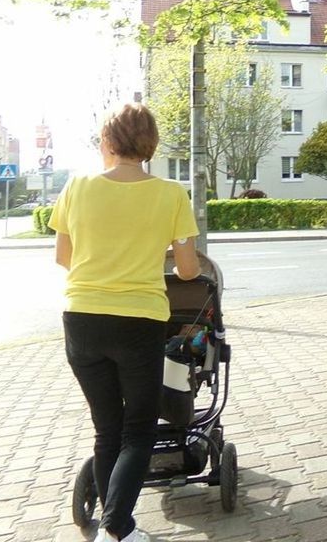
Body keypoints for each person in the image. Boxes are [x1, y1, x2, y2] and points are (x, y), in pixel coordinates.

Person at [49, 103, 201, 542]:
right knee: (138, 431)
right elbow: (189, 271)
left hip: (81, 318)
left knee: (106, 430)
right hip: (139, 321)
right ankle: (117, 528)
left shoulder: (76, 186)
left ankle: (111, 527)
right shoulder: (171, 194)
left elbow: (63, 256)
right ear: (149, 145)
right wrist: (153, 253)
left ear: (108, 142)